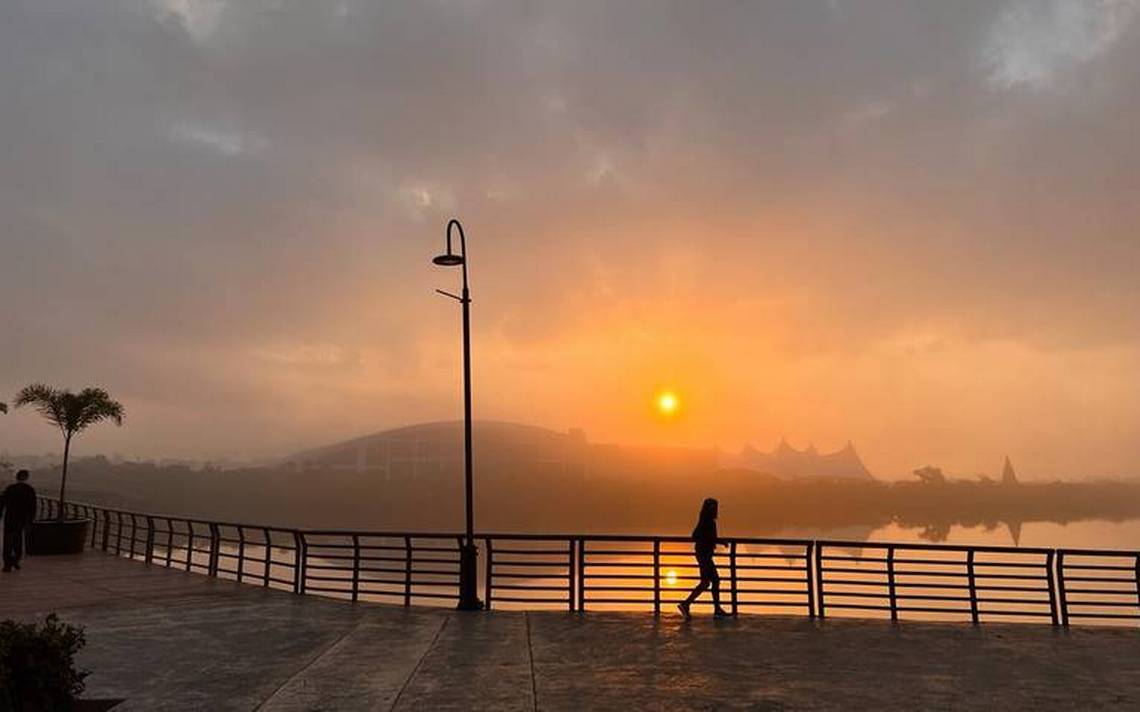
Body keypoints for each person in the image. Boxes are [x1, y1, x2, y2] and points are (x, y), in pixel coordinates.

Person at [678, 497, 730, 619]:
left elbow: (697, 536)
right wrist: (720, 541)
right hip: (705, 555)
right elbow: (697, 536)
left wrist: (715, 541)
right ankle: (686, 604)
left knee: (709, 582)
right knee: (710, 582)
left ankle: (714, 609)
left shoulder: (704, 520)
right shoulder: (709, 522)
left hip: (703, 554)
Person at [1, 470, 37, 572]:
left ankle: (7, 563)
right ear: (26, 477)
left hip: (9, 518)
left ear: (17, 477)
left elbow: (2, 502)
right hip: (22, 519)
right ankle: (16, 559)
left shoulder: (10, 489)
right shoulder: (29, 490)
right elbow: (33, 507)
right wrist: (30, 520)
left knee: (7, 541)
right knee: (18, 539)